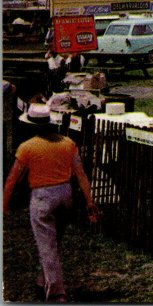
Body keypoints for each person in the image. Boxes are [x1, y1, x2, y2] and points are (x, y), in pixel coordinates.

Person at [3, 103, 99, 302]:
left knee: (47, 245)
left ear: (31, 126)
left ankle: (56, 293)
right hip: (65, 195)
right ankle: (42, 282)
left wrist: (4, 203)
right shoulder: (68, 143)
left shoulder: (27, 147)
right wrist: (90, 202)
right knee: (52, 243)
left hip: (42, 196)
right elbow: (81, 175)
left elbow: (13, 178)